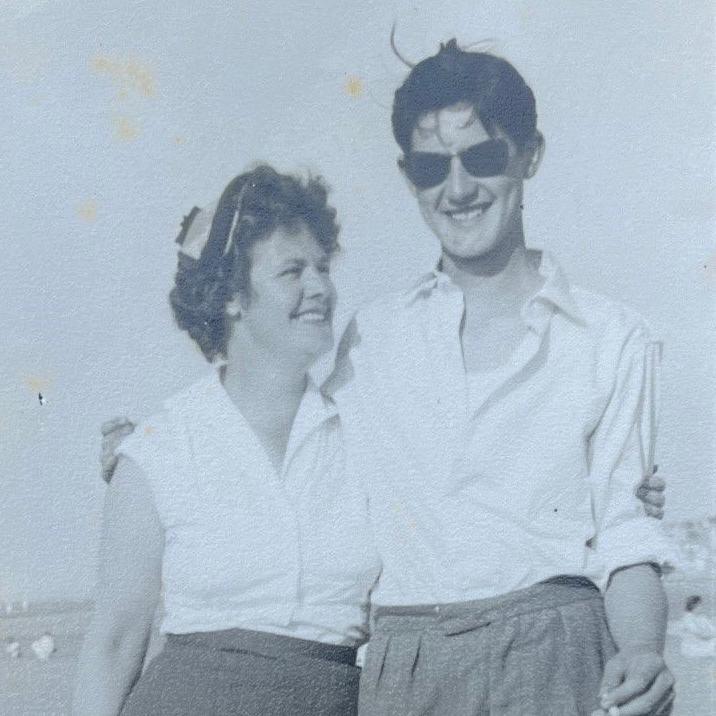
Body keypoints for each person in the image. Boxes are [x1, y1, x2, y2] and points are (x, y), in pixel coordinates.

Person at [323, 41, 676, 715]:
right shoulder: (371, 339)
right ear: (409, 177)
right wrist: (148, 455)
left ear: (529, 155)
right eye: (433, 168)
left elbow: (627, 535)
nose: (458, 190)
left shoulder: (612, 336)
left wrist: (641, 652)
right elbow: (307, 471)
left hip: (561, 658)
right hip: (407, 669)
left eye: (483, 158)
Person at [73, 165, 381, 715]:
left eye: (323, 267)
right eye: (292, 271)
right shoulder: (160, 450)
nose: (321, 287)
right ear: (233, 297)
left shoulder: (362, 433)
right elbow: (116, 640)